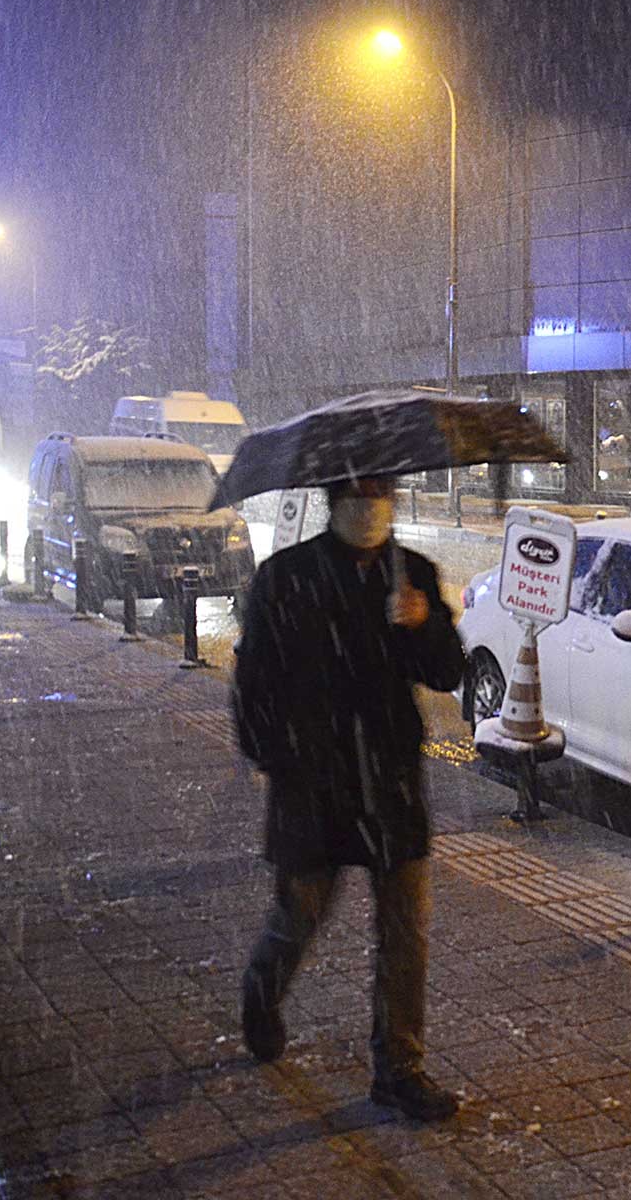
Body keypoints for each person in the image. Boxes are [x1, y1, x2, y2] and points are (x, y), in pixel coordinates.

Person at [232, 476, 466, 1121]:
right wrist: (274, 758)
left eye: (381, 493)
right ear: (333, 502)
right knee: (300, 916)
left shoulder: (411, 572)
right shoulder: (288, 575)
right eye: (358, 494)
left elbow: (448, 671)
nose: (371, 507)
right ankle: (262, 988)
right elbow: (253, 678)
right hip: (314, 780)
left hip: (390, 781)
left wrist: (421, 626)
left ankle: (400, 1069)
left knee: (405, 935)